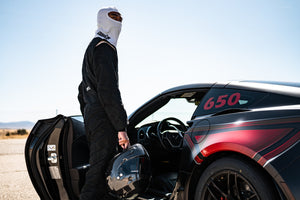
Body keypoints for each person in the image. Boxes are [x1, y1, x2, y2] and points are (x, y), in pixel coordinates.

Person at [77, 7, 130, 200]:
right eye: (113, 18)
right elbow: (109, 91)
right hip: (103, 121)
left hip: (94, 118)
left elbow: (81, 90)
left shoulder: (92, 47)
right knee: (98, 178)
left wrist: (89, 115)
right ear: (102, 21)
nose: (118, 22)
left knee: (102, 175)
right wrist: (120, 127)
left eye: (120, 18)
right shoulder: (105, 47)